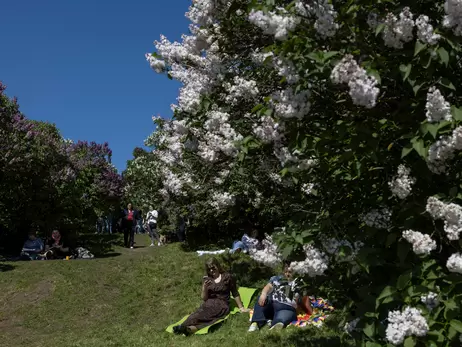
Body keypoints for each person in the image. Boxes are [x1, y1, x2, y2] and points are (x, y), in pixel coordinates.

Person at [173, 258, 247, 336]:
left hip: (221, 305)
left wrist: (241, 307)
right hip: (208, 304)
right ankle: (186, 329)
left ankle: (183, 328)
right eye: (209, 269)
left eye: (213, 268)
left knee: (204, 317)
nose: (211, 270)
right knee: (196, 315)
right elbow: (204, 298)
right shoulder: (208, 280)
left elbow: (235, 292)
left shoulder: (227, 277)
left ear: (218, 266)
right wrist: (204, 287)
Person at [248, 263, 304, 332]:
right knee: (262, 299)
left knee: (280, 321)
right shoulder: (277, 278)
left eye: (290, 272)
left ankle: (275, 324)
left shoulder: (297, 282)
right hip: (272, 304)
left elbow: (301, 299)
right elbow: (268, 286)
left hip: (286, 307)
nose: (287, 274)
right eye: (285, 272)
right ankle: (256, 323)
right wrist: (263, 294)